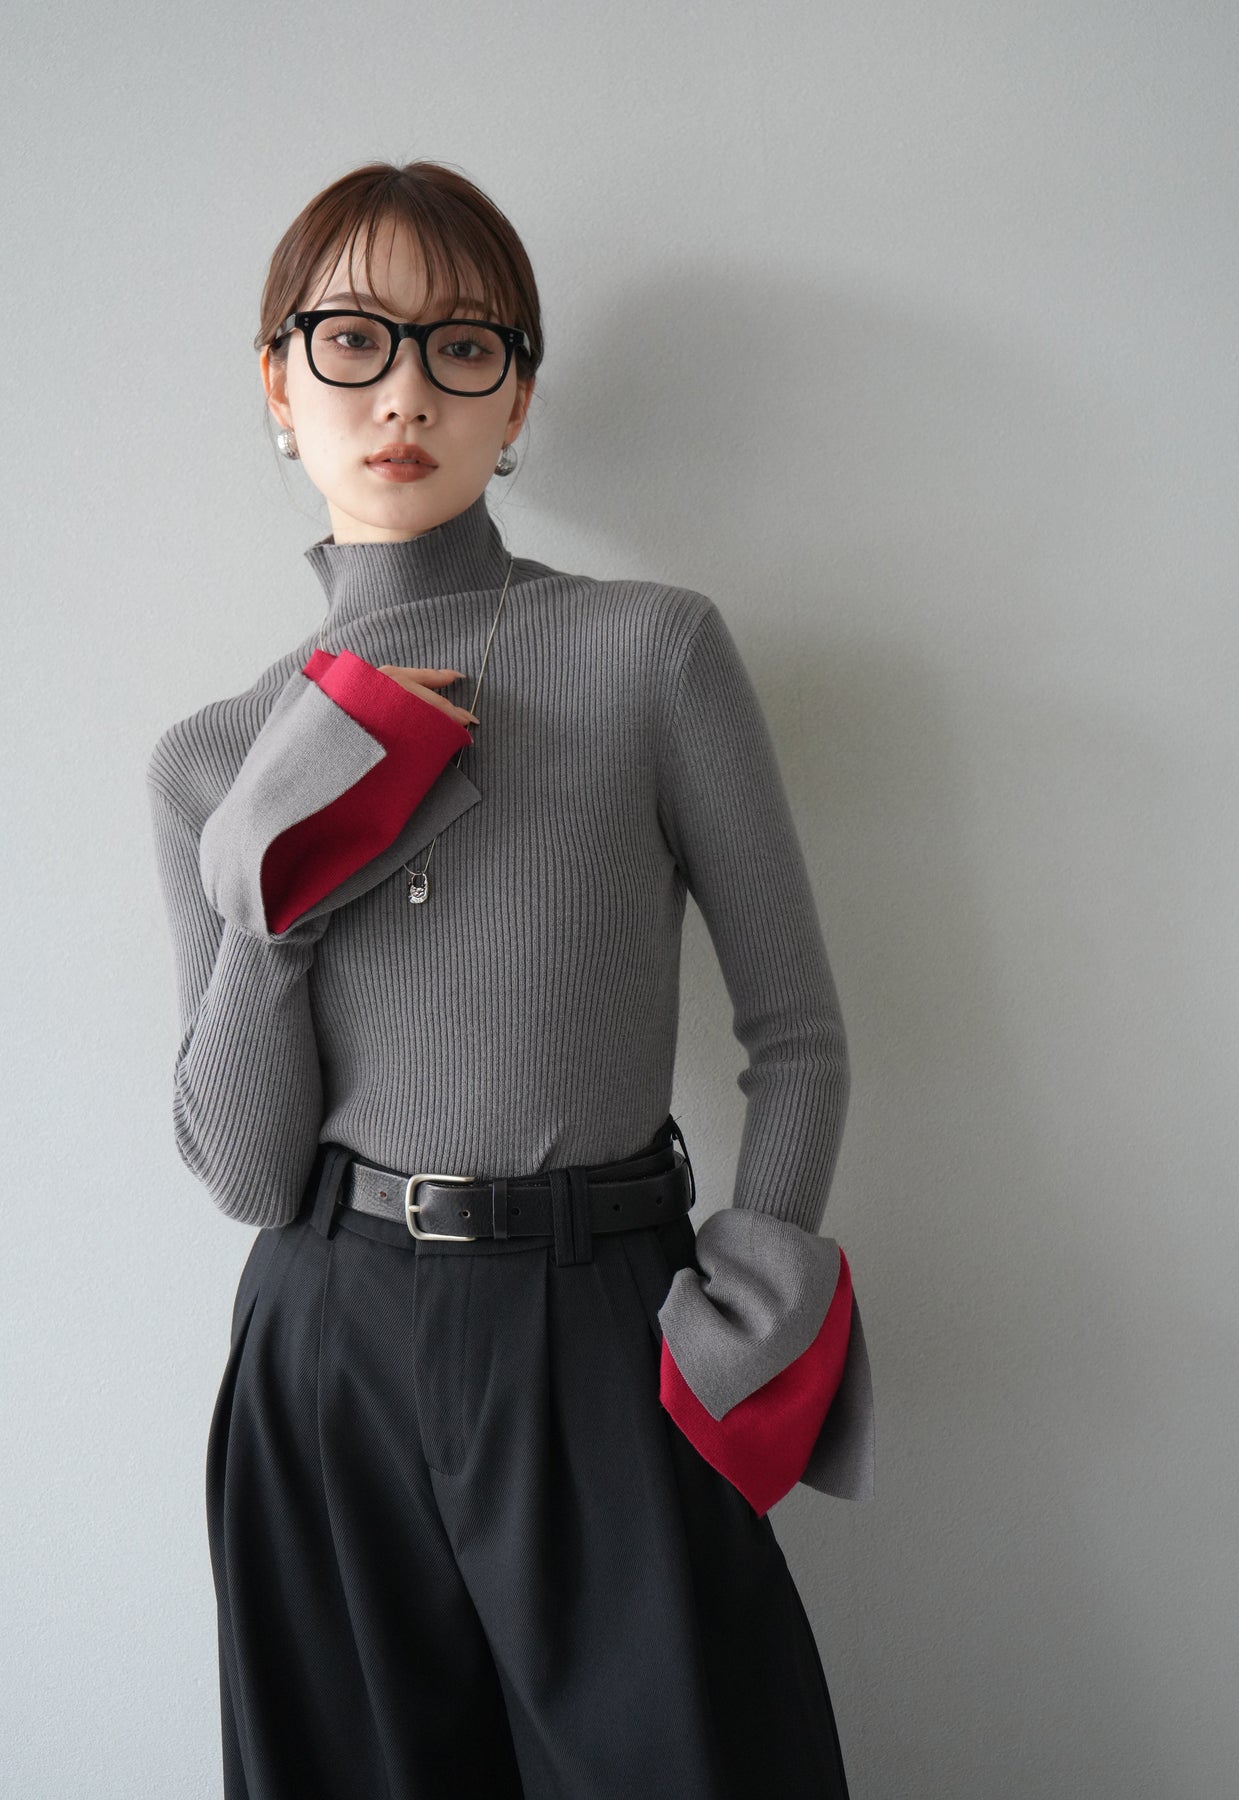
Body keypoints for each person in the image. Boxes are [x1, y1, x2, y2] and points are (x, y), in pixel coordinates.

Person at [145, 158, 875, 1800]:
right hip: (324, 1345)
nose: (403, 392)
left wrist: (739, 1323)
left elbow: (798, 1039)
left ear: (517, 398)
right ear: (278, 384)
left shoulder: (648, 650)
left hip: (602, 1319)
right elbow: (247, 1173)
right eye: (351, 340)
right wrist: (274, 884)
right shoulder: (210, 759)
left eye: (461, 347)